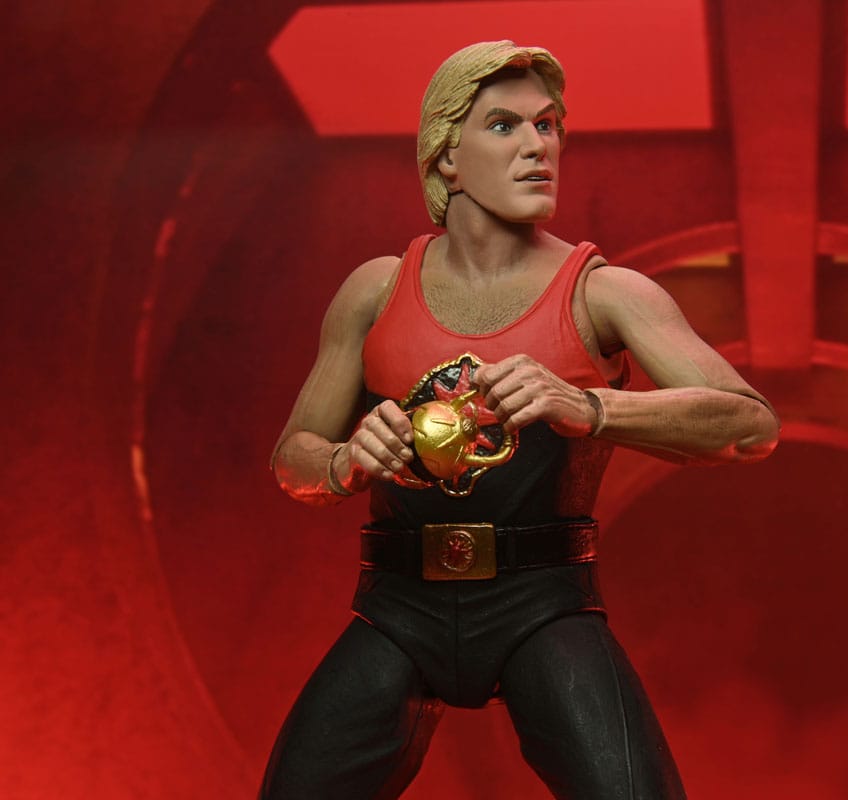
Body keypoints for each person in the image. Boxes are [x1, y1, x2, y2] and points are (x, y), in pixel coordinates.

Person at [262, 40, 779, 800]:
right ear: (447, 157)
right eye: (505, 126)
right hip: (397, 608)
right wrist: (343, 462)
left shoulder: (605, 294)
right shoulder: (375, 291)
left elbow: (751, 424)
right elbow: (292, 458)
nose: (539, 146)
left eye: (549, 125)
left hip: (542, 606)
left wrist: (591, 406)